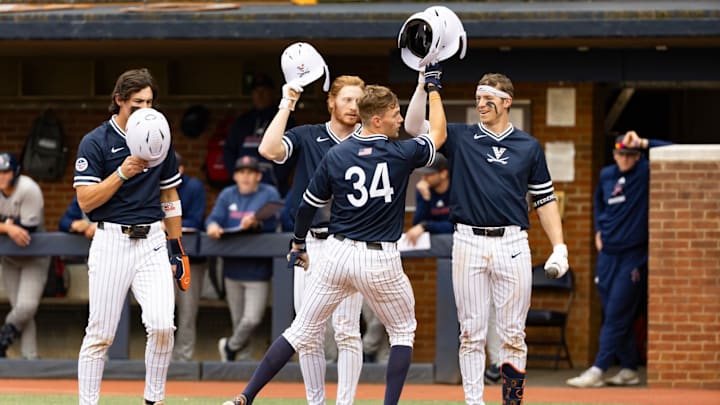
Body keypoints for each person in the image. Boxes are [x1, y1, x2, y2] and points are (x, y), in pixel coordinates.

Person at [224, 72, 448, 405]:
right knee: (402, 331)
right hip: (378, 256)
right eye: (394, 114)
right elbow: (439, 134)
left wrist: (297, 243)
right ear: (377, 119)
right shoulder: (400, 153)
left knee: (300, 330)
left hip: (336, 252)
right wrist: (431, 89)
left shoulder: (338, 155)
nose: (399, 118)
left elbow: (306, 205)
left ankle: (246, 396)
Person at [405, 68, 569, 405]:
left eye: (488, 99)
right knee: (471, 333)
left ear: (506, 102)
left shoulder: (529, 146)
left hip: (512, 242)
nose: (481, 104)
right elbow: (412, 127)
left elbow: (545, 199)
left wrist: (560, 247)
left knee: (513, 334)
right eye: (478, 98)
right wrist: (424, 86)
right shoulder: (461, 136)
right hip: (467, 240)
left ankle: (511, 401)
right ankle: (474, 401)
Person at [73, 68, 189, 405]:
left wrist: (176, 247)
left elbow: (170, 197)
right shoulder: (96, 141)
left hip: (152, 240)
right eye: (137, 102)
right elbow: (86, 200)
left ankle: (153, 400)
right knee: (100, 334)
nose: (145, 109)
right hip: (111, 240)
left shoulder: (160, 136)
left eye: (150, 102)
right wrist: (122, 172)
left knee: (163, 326)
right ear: (119, 101)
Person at [258, 75, 366, 404]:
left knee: (347, 329)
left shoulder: (372, 139)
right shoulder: (309, 135)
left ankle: (345, 403)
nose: (353, 106)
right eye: (347, 99)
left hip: (350, 243)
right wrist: (287, 102)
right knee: (308, 331)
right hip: (312, 243)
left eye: (359, 100)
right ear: (331, 102)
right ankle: (315, 402)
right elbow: (268, 149)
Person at [566, 131, 670, 388]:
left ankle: (598, 368)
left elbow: (673, 150)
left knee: (616, 311)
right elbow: (599, 203)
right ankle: (629, 368)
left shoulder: (644, 171)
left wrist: (644, 143)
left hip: (633, 254)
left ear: (636, 156)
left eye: (630, 154)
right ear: (614, 154)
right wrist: (598, 231)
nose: (624, 158)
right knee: (612, 309)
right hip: (607, 254)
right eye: (620, 154)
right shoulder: (606, 175)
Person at [206, 155, 280, 363]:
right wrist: (212, 226)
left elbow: (275, 222)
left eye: (250, 173)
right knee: (239, 321)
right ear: (236, 176)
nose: (246, 177)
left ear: (258, 176)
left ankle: (229, 346)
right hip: (232, 268)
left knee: (252, 319)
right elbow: (214, 218)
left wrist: (256, 222)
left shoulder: (269, 193)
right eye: (241, 173)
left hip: (258, 270)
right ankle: (242, 361)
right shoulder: (228, 194)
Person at [0, 152, 50, 360]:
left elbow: (25, 230)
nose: (1, 176)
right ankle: (31, 358)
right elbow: (14, 231)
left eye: (5, 172)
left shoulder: (29, 189)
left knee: (26, 307)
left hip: (34, 257)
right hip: (10, 259)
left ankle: (2, 338)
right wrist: (7, 228)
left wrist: (8, 227)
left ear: (15, 172)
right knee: (21, 312)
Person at [223, 73, 294, 197]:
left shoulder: (284, 120)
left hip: (274, 186)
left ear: (272, 93)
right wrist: (237, 177)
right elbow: (229, 151)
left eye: (264, 91)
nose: (260, 95)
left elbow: (291, 152)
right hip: (243, 187)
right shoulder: (242, 122)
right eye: (256, 91)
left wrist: (277, 176)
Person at [171, 152, 208, 362]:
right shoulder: (154, 187)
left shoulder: (193, 187)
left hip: (190, 259)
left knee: (186, 313)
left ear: (181, 169)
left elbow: (195, 221)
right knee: (163, 311)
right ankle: (163, 359)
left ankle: (183, 359)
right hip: (162, 258)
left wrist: (168, 225)